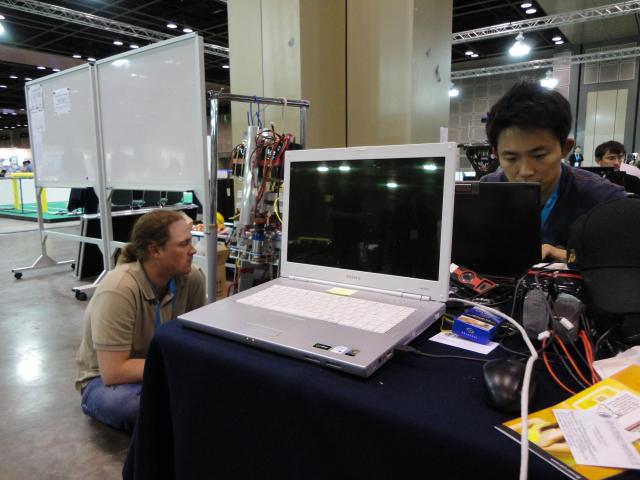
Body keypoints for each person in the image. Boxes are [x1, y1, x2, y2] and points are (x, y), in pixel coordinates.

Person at [75, 209, 206, 431]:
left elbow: (196, 340)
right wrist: (178, 368)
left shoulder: (192, 279)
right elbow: (113, 371)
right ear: (155, 250)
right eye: (184, 244)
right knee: (132, 405)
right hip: (106, 382)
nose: (193, 250)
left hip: (160, 370)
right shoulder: (119, 289)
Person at [481, 80, 627, 262]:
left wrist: (568, 256)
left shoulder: (603, 199)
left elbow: (628, 256)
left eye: (539, 156)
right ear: (496, 154)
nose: (525, 171)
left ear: (565, 148)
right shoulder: (486, 192)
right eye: (511, 158)